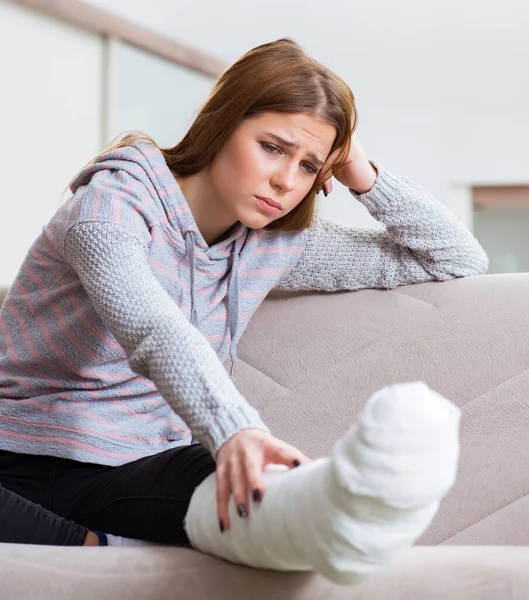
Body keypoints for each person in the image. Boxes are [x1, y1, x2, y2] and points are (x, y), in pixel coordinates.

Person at [0, 38, 488, 584]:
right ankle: (87, 549)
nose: (286, 182)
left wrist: (359, 171)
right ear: (221, 123)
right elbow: (153, 330)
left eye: (309, 166)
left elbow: (455, 255)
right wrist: (234, 429)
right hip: (15, 459)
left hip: (133, 472)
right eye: (272, 148)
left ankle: (346, 512)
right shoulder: (110, 207)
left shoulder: (274, 244)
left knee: (264, 488)